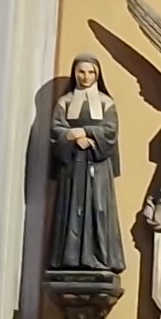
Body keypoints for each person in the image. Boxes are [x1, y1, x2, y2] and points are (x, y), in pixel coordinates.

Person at [44, 56, 122, 276]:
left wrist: (85, 132)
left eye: (91, 72)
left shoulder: (106, 103)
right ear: (75, 73)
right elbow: (56, 129)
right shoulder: (65, 102)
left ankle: (99, 257)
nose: (86, 77)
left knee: (98, 208)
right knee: (71, 207)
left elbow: (110, 131)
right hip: (71, 167)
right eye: (81, 72)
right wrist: (73, 136)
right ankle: (67, 259)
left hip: (98, 167)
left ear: (97, 75)